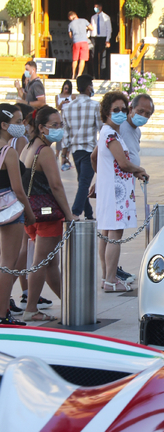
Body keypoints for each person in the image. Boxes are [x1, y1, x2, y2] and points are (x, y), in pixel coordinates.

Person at [20, 106, 79, 322]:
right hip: (48, 215)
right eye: (55, 125)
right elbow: (56, 186)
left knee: (50, 263)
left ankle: (70, 301)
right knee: (41, 262)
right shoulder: (44, 151)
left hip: (33, 212)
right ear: (42, 128)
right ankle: (31, 308)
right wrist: (69, 214)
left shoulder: (29, 147)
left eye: (61, 125)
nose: (59, 129)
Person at [95, 91, 149, 292]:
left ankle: (107, 277)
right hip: (115, 192)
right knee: (114, 234)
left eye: (122, 110)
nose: (120, 113)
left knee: (108, 234)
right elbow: (123, 163)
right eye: (115, 110)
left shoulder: (113, 133)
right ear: (106, 112)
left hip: (115, 190)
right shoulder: (109, 133)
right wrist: (140, 170)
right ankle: (110, 279)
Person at [0, 105, 35, 325]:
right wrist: (30, 214)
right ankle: (3, 314)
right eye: (17, 121)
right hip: (11, 209)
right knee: (8, 263)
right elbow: (18, 189)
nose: (22, 125)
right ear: (4, 125)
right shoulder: (8, 152)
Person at [61, 75, 102, 221]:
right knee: (84, 182)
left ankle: (89, 214)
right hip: (89, 149)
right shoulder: (95, 105)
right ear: (89, 87)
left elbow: (66, 132)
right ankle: (75, 212)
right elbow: (101, 128)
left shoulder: (68, 107)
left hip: (75, 150)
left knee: (82, 182)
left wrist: (63, 154)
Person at [67, 11, 93, 79]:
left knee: (75, 59)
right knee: (82, 59)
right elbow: (91, 28)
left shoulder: (70, 24)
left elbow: (70, 36)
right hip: (84, 41)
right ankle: (79, 74)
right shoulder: (84, 21)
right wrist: (85, 29)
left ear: (71, 17)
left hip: (76, 42)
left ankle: (73, 74)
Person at [90, 3, 112, 80]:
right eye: (94, 7)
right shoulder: (93, 17)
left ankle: (102, 75)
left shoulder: (106, 17)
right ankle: (95, 75)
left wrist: (107, 40)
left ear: (101, 7)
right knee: (94, 56)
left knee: (103, 56)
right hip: (94, 37)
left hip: (103, 37)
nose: (95, 9)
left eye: (97, 7)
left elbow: (109, 29)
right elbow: (91, 28)